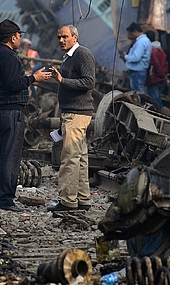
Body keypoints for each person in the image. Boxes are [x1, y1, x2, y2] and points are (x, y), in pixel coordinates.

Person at [0, 19, 51, 211]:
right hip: (10, 111)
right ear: (13, 37)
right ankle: (5, 200)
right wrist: (33, 78)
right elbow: (13, 84)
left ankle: (0, 197)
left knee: (1, 154)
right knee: (10, 155)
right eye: (19, 36)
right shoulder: (9, 57)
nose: (20, 39)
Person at [47, 25, 96, 212]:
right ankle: (83, 199)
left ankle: (67, 201)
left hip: (77, 113)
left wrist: (62, 81)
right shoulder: (69, 56)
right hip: (73, 112)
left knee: (69, 158)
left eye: (65, 37)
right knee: (80, 158)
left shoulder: (82, 54)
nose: (61, 40)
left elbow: (89, 82)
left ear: (75, 37)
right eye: (59, 37)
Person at [119, 22, 151, 92]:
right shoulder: (143, 41)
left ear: (135, 32)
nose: (129, 36)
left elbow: (136, 57)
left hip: (137, 71)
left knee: (137, 92)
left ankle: (140, 103)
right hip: (138, 71)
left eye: (130, 34)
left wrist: (125, 56)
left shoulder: (141, 42)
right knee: (137, 91)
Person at [145, 30, 169, 109]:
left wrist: (159, 74)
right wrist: (163, 75)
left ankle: (159, 115)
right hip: (160, 79)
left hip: (154, 79)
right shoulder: (160, 49)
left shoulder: (151, 50)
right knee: (158, 98)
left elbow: (156, 64)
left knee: (154, 100)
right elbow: (165, 63)